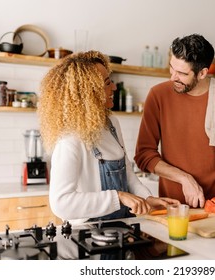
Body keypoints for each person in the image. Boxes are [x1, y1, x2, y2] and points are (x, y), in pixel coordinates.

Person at [38, 50, 179, 225]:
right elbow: (61, 204)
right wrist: (118, 197)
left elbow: (127, 173)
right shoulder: (70, 139)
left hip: (121, 226)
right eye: (106, 83)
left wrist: (146, 198)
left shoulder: (111, 123)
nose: (113, 87)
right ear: (89, 92)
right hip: (89, 235)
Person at [134, 34, 215, 208]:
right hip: (172, 208)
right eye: (172, 68)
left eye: (182, 73)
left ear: (203, 73)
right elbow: (144, 155)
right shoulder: (157, 95)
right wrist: (185, 179)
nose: (173, 77)